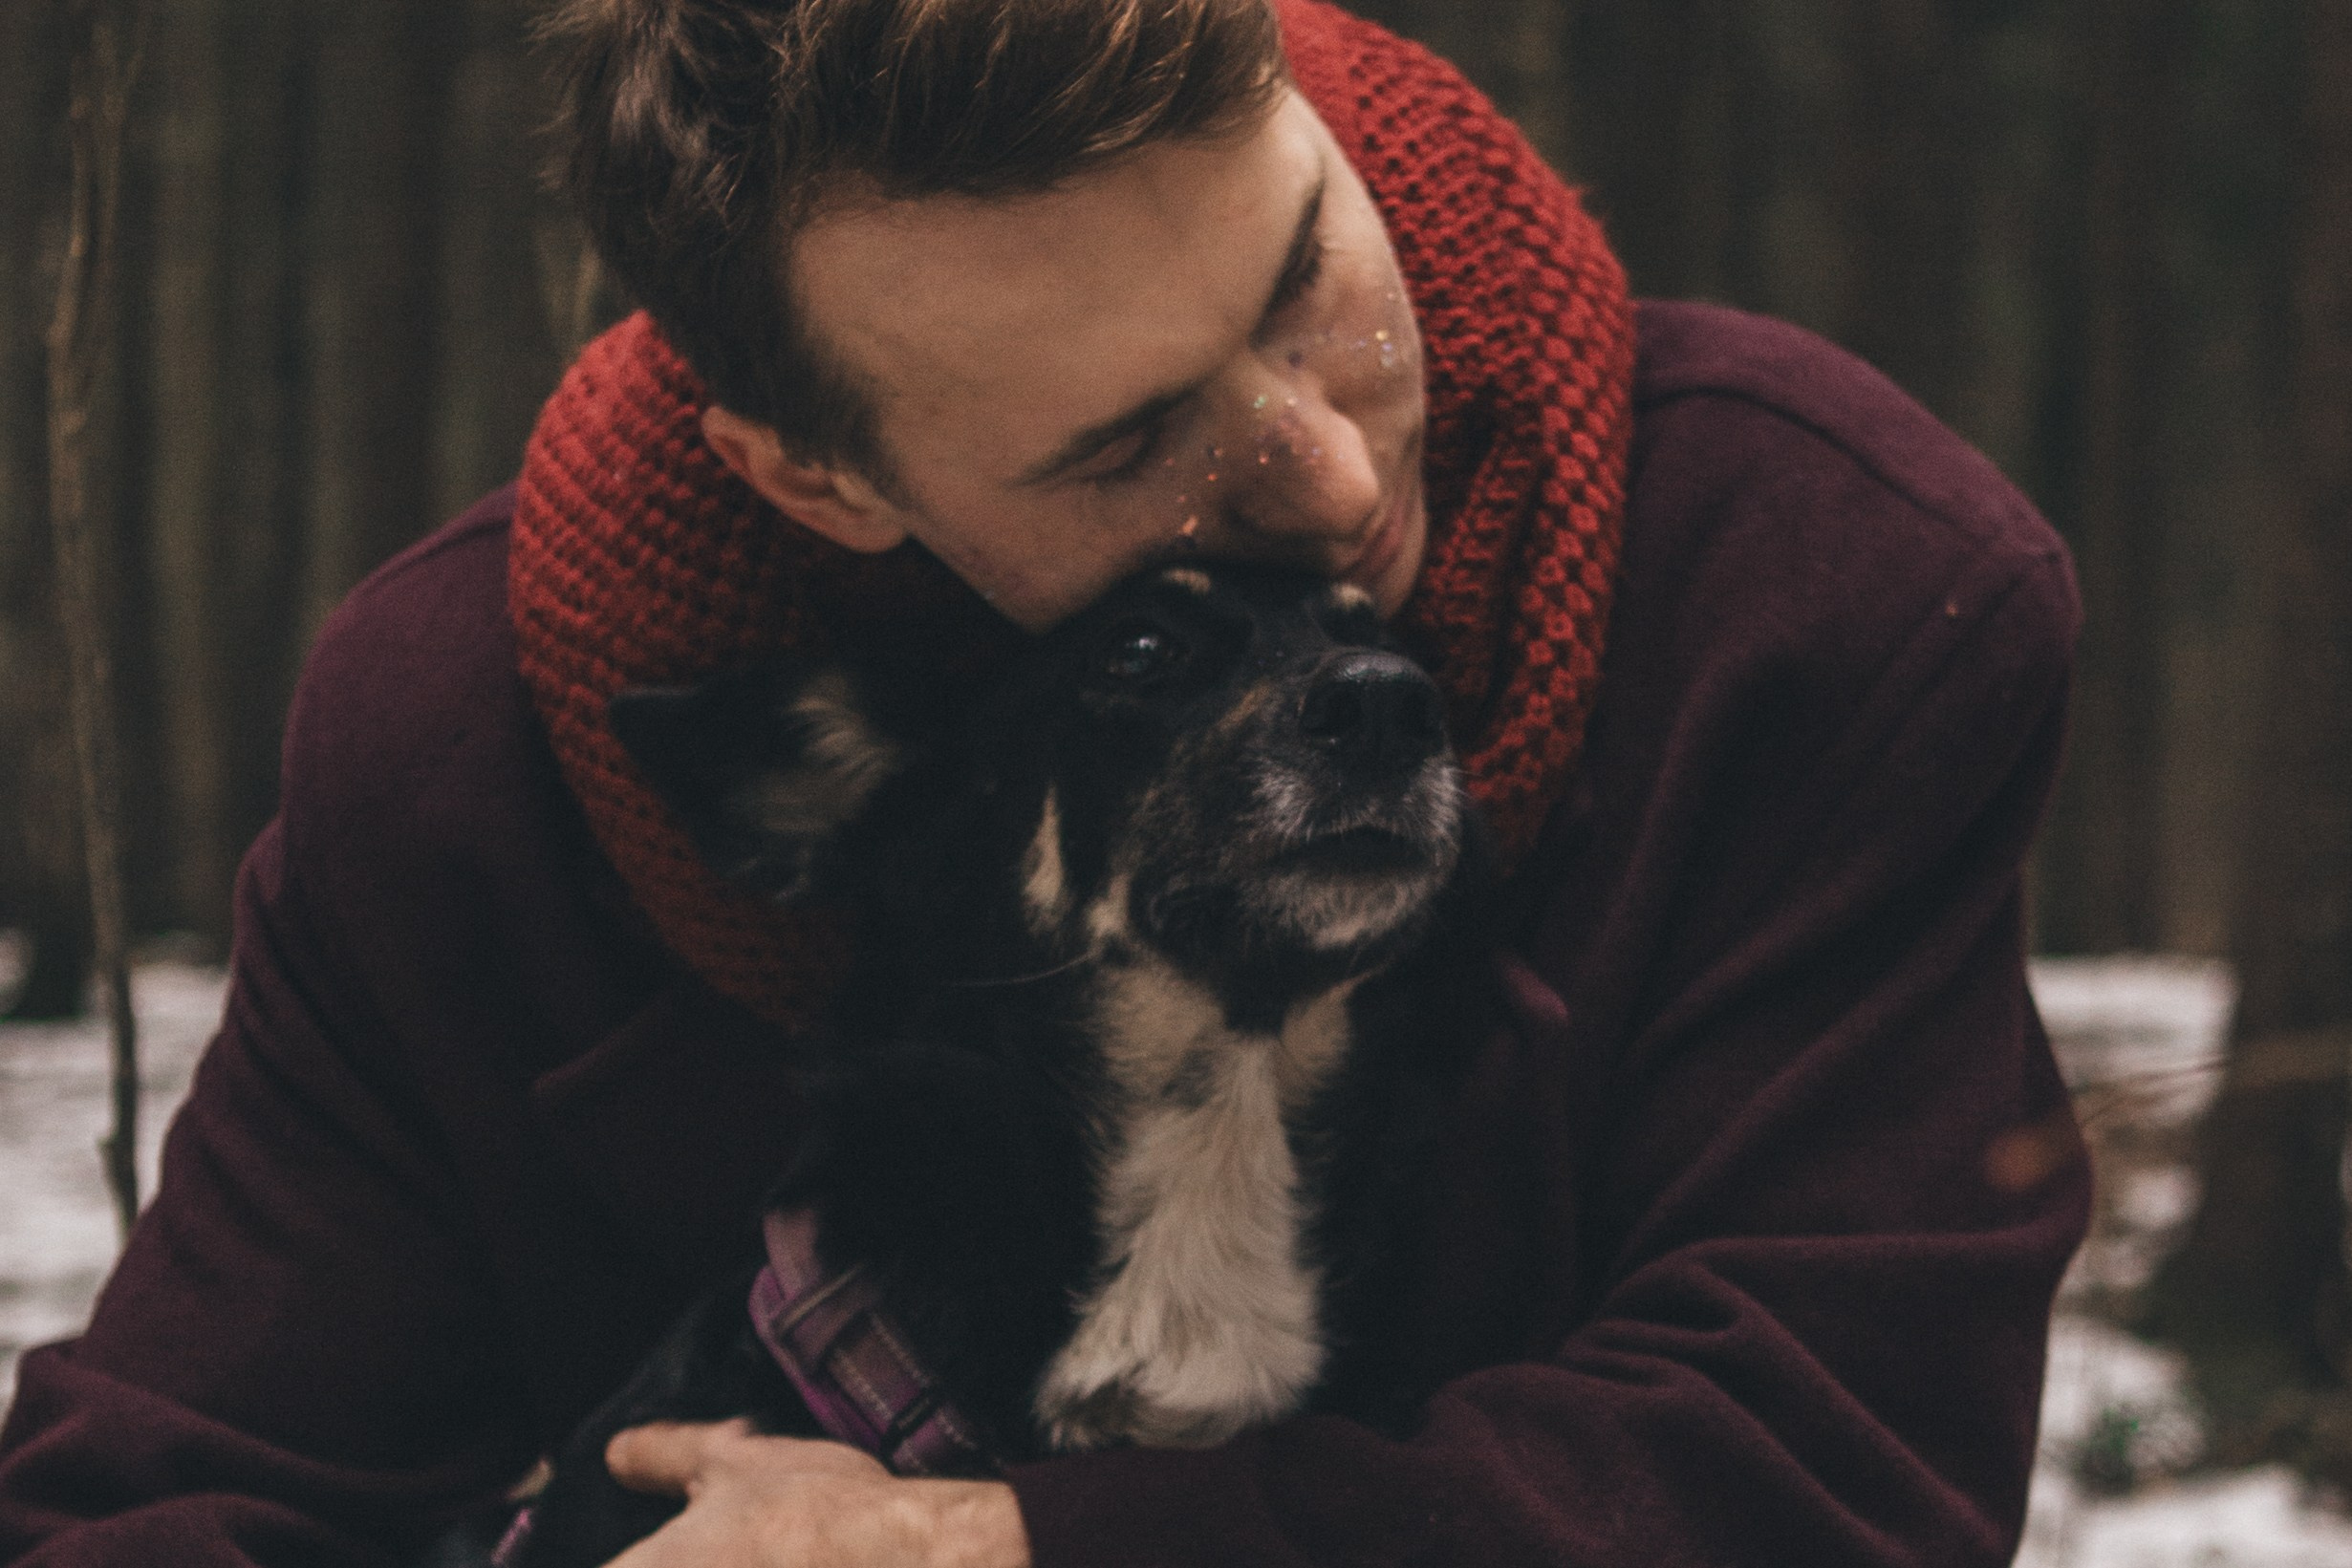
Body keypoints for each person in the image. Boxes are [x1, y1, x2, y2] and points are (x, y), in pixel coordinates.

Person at [0, 1, 2090, 1563]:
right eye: (1122, 447)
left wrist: (995, 1549)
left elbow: (1831, 1474)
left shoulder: (1825, 593)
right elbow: (158, 1497)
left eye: (1302, 283)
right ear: (810, 474)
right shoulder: (468, 742)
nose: (1334, 470)